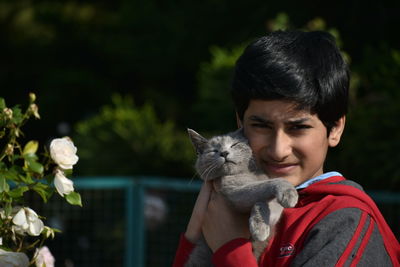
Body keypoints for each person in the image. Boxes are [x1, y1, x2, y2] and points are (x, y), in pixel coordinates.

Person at [173, 30, 400, 266]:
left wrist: (230, 247)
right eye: (261, 126)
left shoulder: (345, 221)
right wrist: (193, 236)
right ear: (240, 124)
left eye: (298, 128)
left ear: (335, 129)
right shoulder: (218, 209)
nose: (278, 150)